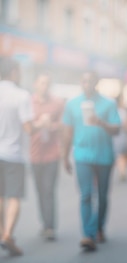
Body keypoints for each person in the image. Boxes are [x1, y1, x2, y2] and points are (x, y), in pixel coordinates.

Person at [62, 70, 120, 251]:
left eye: (91, 81)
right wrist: (64, 156)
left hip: (104, 156)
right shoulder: (72, 104)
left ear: (97, 82)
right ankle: (88, 234)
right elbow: (67, 131)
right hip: (82, 156)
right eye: (84, 80)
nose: (87, 84)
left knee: (102, 196)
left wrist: (100, 122)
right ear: (81, 82)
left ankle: (99, 227)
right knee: (86, 195)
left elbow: (116, 129)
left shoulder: (108, 104)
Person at [0, 58, 33, 257]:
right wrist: (42, 124)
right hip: (13, 155)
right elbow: (28, 128)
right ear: (13, 72)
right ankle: (8, 235)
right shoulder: (21, 95)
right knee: (13, 197)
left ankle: (3, 234)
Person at [29, 72, 64, 241]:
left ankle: (50, 226)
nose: (45, 86)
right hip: (34, 154)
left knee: (49, 190)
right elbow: (25, 126)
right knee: (40, 191)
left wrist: (51, 125)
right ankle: (44, 223)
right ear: (36, 84)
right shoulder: (29, 103)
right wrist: (38, 124)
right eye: (42, 82)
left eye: (47, 83)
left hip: (52, 155)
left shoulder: (57, 103)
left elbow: (64, 125)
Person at [113, 95, 127, 181]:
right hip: (124, 136)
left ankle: (123, 172)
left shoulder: (113, 112)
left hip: (116, 136)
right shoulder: (123, 112)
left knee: (121, 155)